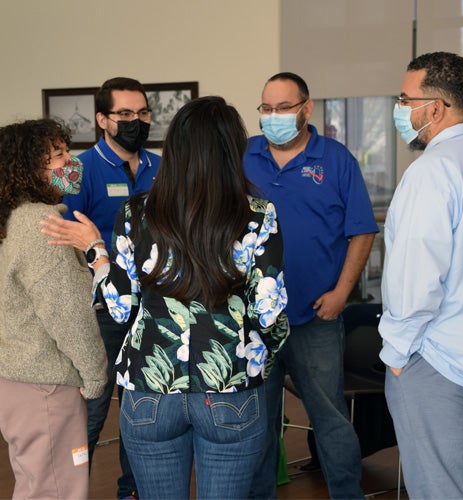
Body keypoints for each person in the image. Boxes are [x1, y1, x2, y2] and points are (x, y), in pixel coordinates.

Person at [41, 95, 290, 500]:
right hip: (229, 383)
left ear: (173, 148)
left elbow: (120, 308)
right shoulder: (259, 215)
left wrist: (96, 253)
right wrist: (263, 354)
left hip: (149, 387)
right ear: (234, 150)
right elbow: (269, 311)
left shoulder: (135, 212)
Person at [244, 72, 378, 499]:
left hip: (316, 316)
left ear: (307, 108)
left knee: (330, 417)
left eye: (284, 108)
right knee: (259, 423)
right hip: (255, 321)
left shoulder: (336, 159)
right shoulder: (243, 156)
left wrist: (341, 294)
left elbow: (362, 231)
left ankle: (347, 494)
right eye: (266, 109)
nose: (274, 116)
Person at [379, 51, 463, 498]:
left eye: (404, 98)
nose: (399, 109)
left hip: (437, 359)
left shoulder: (432, 172)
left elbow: (415, 277)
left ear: (434, 108)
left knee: (439, 489)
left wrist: (396, 354)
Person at [62, 76, 161, 500]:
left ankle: (132, 492)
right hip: (101, 314)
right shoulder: (74, 169)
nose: (136, 121)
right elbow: (59, 239)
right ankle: (66, 491)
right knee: (89, 413)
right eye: (124, 114)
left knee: (144, 415)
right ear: (102, 119)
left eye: (142, 113)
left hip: (154, 313)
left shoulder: (163, 166)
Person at [0, 118, 107, 498]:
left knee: (36, 484)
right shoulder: (42, 224)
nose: (70, 162)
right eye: (57, 155)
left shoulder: (12, 219)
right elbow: (66, 312)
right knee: (58, 489)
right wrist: (95, 375)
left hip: (16, 380)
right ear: (28, 167)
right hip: (46, 383)